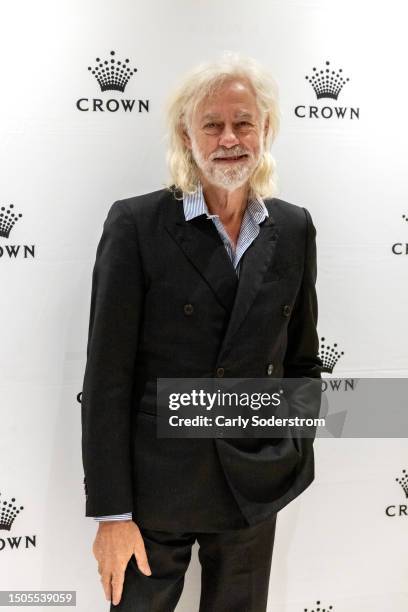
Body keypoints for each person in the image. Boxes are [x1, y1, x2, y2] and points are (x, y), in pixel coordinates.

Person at [81, 51, 322, 611]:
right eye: (211, 124)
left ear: (266, 130)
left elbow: (303, 361)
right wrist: (112, 514)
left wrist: (290, 449)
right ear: (186, 136)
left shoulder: (293, 227)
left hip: (252, 488)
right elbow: (107, 379)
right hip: (153, 495)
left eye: (243, 122)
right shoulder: (136, 224)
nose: (228, 138)